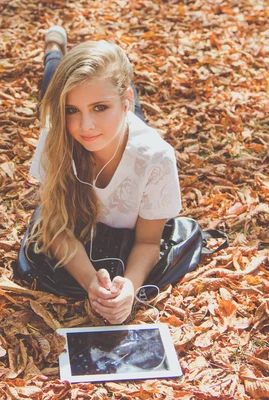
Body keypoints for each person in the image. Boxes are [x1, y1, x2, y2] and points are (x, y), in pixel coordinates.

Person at [18, 26, 182, 324]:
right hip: (110, 123)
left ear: (124, 102)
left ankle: (113, 85)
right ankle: (54, 48)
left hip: (130, 136)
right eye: (71, 110)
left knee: (120, 110)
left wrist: (130, 287)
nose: (85, 125)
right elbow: (54, 226)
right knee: (52, 80)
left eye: (100, 107)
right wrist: (90, 282)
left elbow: (148, 242)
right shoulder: (57, 137)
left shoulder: (156, 159)